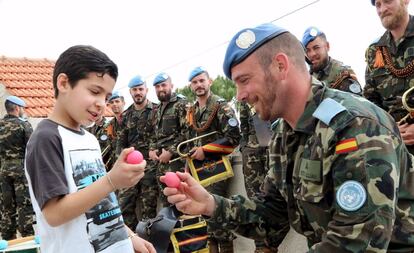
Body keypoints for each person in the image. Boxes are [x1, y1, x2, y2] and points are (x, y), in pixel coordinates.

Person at [162, 23, 414, 252]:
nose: (239, 95)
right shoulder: (284, 134)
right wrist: (210, 204)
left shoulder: (355, 127)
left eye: (245, 81)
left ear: (280, 66)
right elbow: (270, 216)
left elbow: (357, 242)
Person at [24, 45, 155, 253]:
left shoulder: (90, 139)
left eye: (106, 96)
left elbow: (103, 201)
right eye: (95, 91)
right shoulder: (46, 138)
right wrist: (112, 180)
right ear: (64, 83)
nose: (102, 104)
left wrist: (129, 235)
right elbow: (54, 214)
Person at [186, 66, 240, 253]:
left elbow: (234, 138)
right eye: (195, 82)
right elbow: (191, 139)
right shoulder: (192, 110)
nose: (199, 85)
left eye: (202, 80)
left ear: (210, 82)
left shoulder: (221, 105)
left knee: (218, 217)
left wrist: (205, 150)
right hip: (198, 170)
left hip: (217, 168)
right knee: (206, 221)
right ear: (191, 86)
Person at [364, 0, 414, 153]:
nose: (382, 9)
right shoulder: (375, 52)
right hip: (393, 151)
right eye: (378, 4)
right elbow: (370, 103)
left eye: (387, 1)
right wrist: (388, 129)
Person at [116, 75, 159, 229]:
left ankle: (150, 243)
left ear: (146, 90)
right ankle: (135, 239)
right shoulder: (125, 116)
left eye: (140, 89)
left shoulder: (156, 111)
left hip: (151, 167)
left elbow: (161, 136)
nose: (138, 92)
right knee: (123, 206)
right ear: (130, 92)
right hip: (131, 168)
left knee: (149, 209)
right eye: (135, 90)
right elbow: (120, 143)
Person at [238, 101, 273, 252]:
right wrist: (245, 148)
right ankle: (261, 247)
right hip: (252, 154)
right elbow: (244, 126)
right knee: (255, 201)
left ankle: (269, 245)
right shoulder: (244, 100)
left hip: (274, 144)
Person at [148, 72, 188, 206]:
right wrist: (152, 149)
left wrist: (171, 151)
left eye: (163, 85)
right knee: (166, 201)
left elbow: (187, 132)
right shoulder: (157, 109)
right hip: (160, 163)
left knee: (180, 199)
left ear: (171, 85)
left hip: (177, 162)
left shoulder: (181, 104)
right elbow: (154, 133)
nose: (160, 89)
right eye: (157, 86)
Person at [0, 95, 34, 240]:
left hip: (3, 170)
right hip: (20, 169)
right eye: (22, 108)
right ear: (17, 108)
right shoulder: (24, 125)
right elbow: (32, 149)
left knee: (6, 206)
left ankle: (8, 238)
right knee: (24, 204)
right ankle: (27, 238)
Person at [302, 26, 362, 95]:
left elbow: (355, 104)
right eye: (307, 50)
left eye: (316, 48)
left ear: (327, 46)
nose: (312, 54)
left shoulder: (342, 74)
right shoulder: (307, 78)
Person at [105, 90, 126, 170]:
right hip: (116, 167)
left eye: (117, 101)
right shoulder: (110, 125)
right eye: (112, 102)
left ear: (123, 103)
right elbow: (110, 148)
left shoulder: (131, 120)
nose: (114, 104)